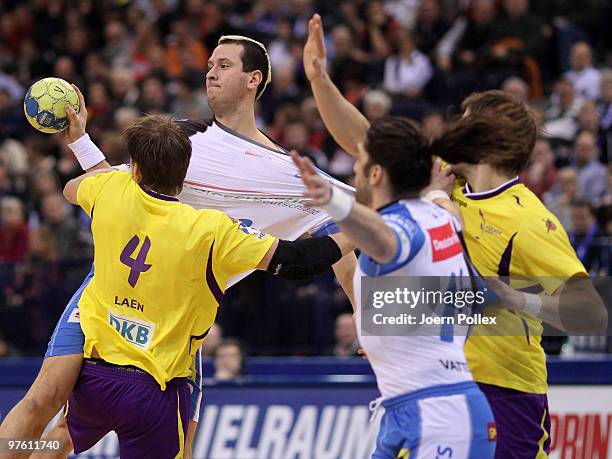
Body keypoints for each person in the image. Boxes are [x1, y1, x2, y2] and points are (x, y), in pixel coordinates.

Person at [0, 35, 357, 458]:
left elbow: (349, 228)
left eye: (224, 65)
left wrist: (367, 315)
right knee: (42, 400)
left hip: (172, 318)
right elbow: (321, 251)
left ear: (253, 79)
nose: (210, 71)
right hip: (108, 296)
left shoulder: (289, 174)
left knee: (71, 432)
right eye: (209, 63)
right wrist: (80, 140)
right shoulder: (183, 140)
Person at [302, 14, 606, 458]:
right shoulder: (444, 179)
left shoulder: (528, 221)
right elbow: (366, 141)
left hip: (503, 389)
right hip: (432, 381)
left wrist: (521, 300)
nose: (451, 128)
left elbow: (592, 312)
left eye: (464, 120)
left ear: (486, 138)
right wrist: (320, 79)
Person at [292, 116, 496, 459]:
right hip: (411, 409)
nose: (355, 170)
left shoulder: (400, 227)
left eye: (359, 162)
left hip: (439, 413)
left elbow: (384, 240)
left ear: (375, 175)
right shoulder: (440, 214)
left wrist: (335, 202)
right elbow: (356, 276)